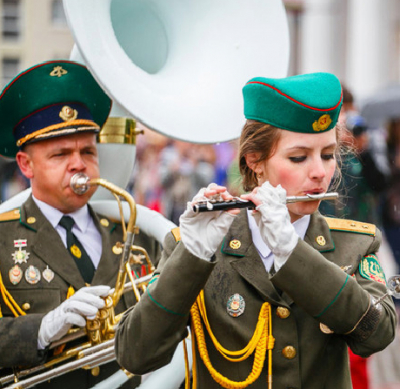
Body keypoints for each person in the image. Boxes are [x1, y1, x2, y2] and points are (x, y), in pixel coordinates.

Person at [115, 72, 397, 389]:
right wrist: (190, 257)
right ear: (255, 160)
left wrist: (293, 252)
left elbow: (378, 334)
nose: (320, 172)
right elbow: (135, 355)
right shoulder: (201, 245)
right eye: (299, 157)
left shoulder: (354, 243)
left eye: (328, 155)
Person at [0, 60, 159, 389]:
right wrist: (41, 331)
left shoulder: (134, 230)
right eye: (60, 155)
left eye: (88, 151)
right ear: (26, 164)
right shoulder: (3, 236)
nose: (79, 165)